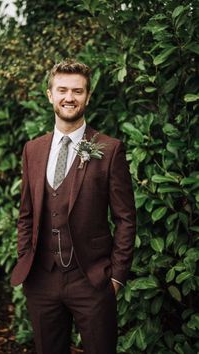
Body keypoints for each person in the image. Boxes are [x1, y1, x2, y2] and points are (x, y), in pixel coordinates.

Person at [11, 59, 136, 354]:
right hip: (41, 279)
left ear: (88, 97)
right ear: (50, 94)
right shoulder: (33, 149)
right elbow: (26, 213)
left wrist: (116, 276)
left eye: (78, 91)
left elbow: (125, 218)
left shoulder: (109, 149)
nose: (70, 97)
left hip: (92, 280)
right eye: (63, 90)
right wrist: (24, 256)